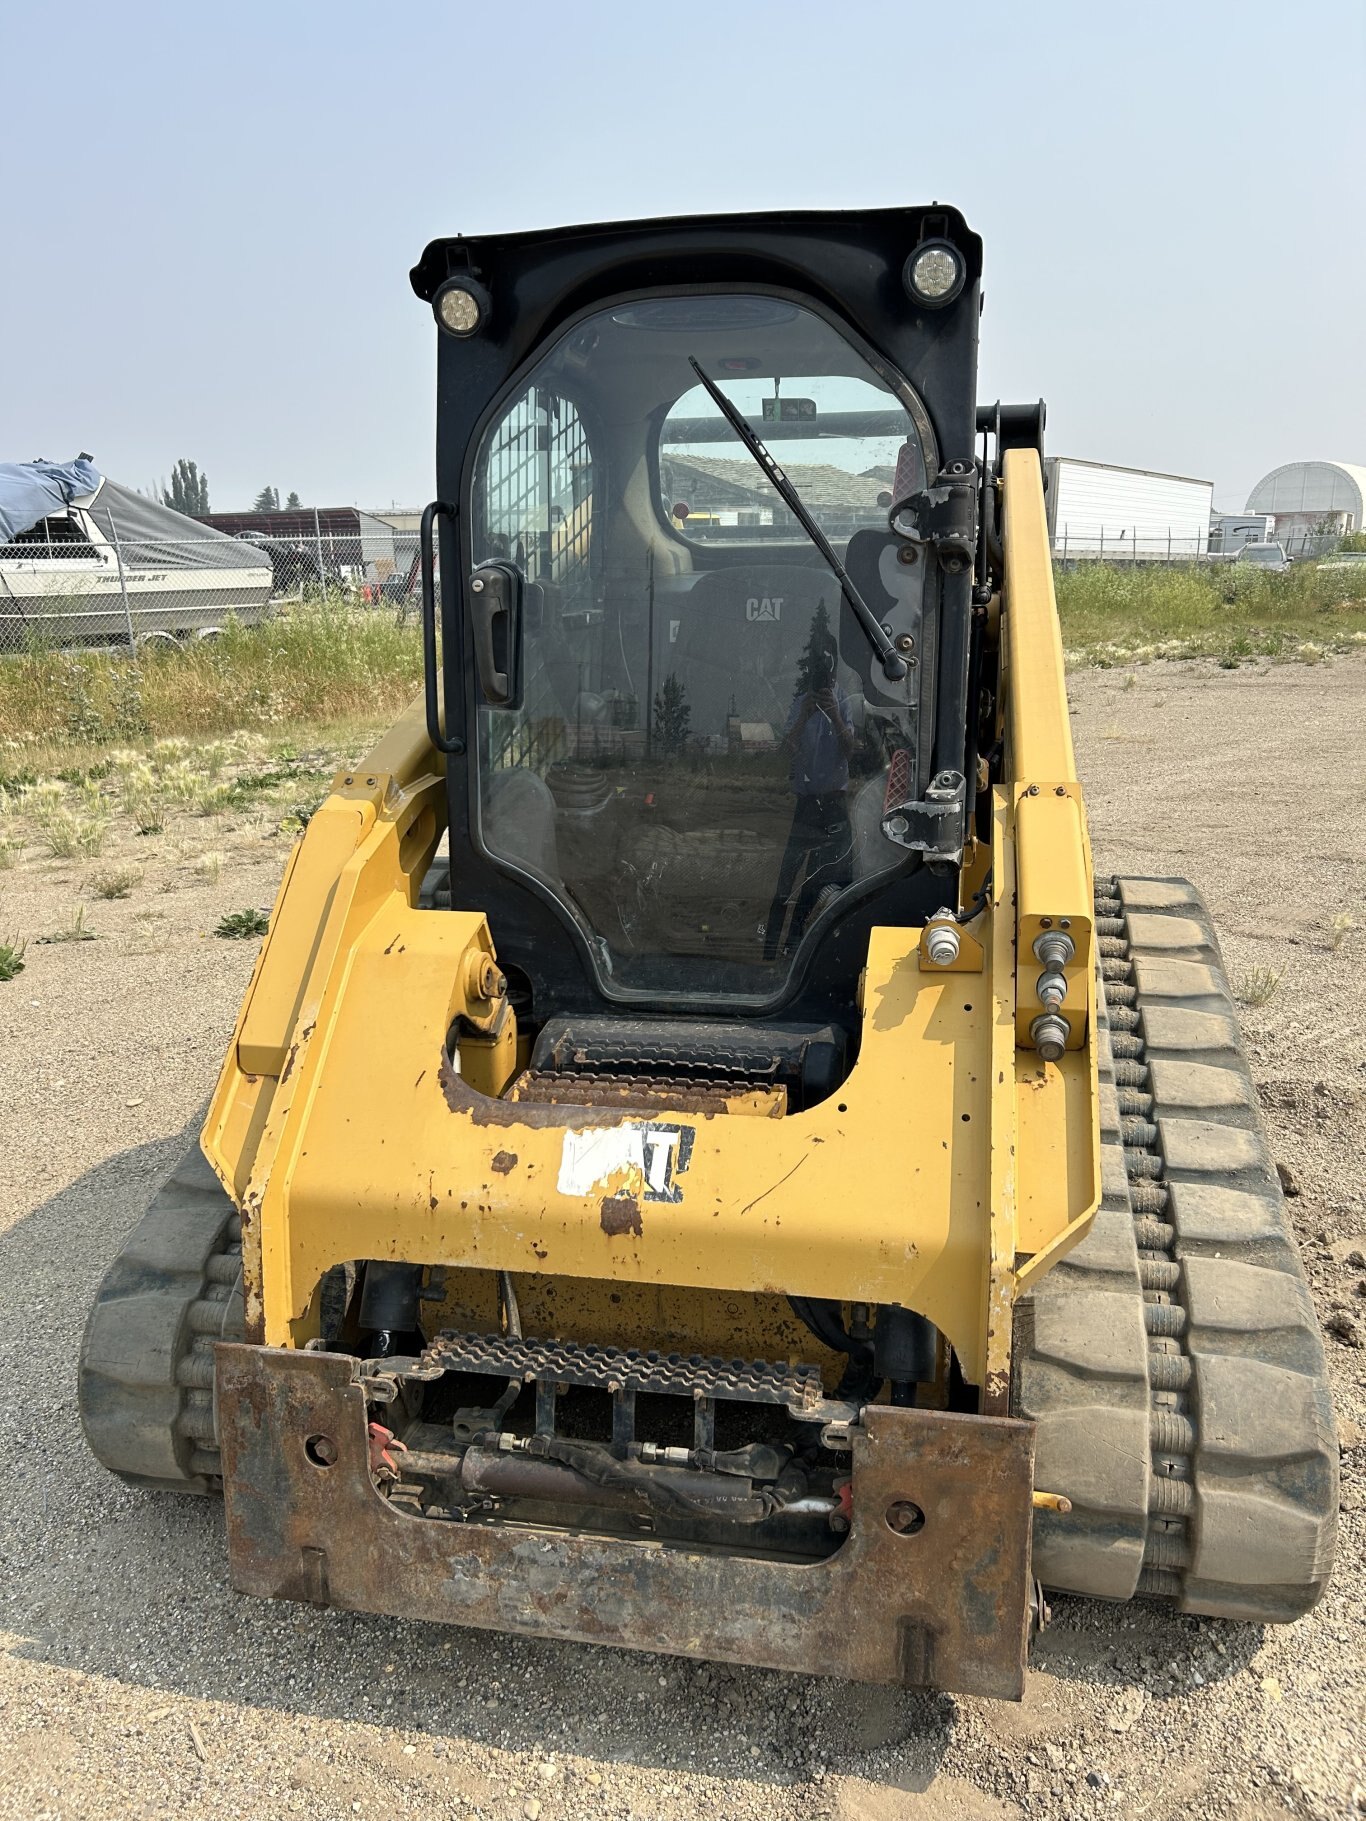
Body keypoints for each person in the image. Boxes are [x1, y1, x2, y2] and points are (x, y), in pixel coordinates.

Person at [762, 624, 857, 959]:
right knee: (785, 878)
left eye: (827, 673)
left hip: (833, 804)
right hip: (805, 805)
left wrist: (834, 715)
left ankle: (797, 946)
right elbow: (784, 752)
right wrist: (803, 717)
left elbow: (852, 752)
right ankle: (771, 948)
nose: (823, 682)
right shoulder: (800, 703)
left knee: (818, 882)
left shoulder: (843, 703)